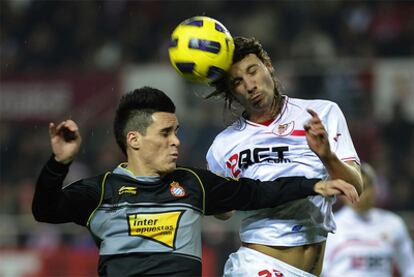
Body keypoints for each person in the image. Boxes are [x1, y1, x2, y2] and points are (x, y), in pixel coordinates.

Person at [31, 86, 359, 276]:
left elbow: (254, 193)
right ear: (134, 140)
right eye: (165, 133)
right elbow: (45, 210)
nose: (176, 141)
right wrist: (59, 164)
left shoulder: (193, 185)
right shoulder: (102, 190)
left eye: (176, 132)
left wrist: (312, 185)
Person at [207, 37, 364, 276]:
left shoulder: (322, 113)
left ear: (267, 65)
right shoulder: (223, 145)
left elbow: (356, 187)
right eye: (238, 82)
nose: (250, 86)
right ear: (231, 91)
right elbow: (223, 213)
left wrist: (327, 157)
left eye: (253, 71)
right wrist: (214, 193)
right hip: (259, 265)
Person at [322, 163, 414, 277]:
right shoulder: (329, 226)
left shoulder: (393, 224)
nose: (358, 194)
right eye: (351, 188)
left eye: (363, 187)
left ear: (375, 189)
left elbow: (409, 269)